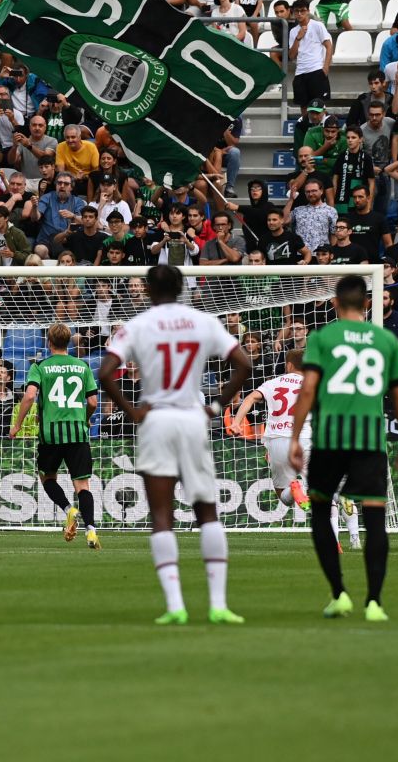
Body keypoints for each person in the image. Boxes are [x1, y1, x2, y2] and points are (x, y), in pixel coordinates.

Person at [99, 265, 253, 625]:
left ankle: (175, 606)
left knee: (162, 515)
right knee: (207, 511)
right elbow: (243, 363)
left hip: (156, 421)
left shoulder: (136, 326)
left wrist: (132, 411)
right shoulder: (203, 321)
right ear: (182, 288)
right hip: (192, 418)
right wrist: (214, 408)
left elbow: (106, 372)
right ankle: (218, 604)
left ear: (149, 291)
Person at [289, 275, 398, 623]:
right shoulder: (386, 339)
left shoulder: (323, 337)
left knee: (319, 512)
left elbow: (309, 388)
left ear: (334, 302)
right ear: (367, 304)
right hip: (369, 442)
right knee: (375, 518)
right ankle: (374, 601)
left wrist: (296, 436)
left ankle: (339, 594)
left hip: (330, 440)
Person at [9, 323, 101, 549]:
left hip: (51, 433)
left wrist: (18, 424)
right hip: (77, 433)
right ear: (68, 342)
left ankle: (68, 509)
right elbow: (92, 402)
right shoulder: (82, 366)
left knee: (47, 478)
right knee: (83, 485)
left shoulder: (39, 366)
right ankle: (91, 531)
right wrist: (86, 418)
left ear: (48, 342)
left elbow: (30, 396)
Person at [231, 349, 312, 512]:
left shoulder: (273, 383)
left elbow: (250, 398)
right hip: (304, 439)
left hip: (276, 441)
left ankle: (295, 488)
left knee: (284, 496)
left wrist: (236, 422)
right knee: (320, 486)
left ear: (288, 365)